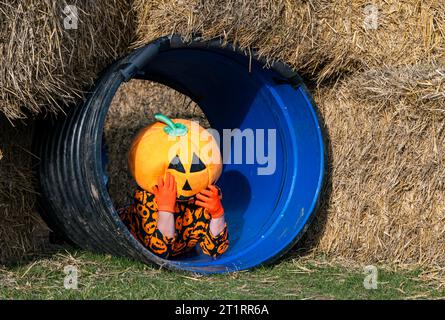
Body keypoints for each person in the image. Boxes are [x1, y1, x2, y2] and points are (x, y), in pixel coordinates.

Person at [119, 172, 229, 259]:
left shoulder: (206, 195)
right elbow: (158, 253)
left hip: (180, 251)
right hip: (121, 232)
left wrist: (218, 215)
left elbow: (216, 250)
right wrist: (166, 209)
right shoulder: (149, 194)